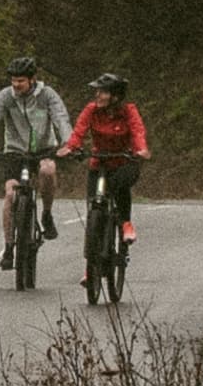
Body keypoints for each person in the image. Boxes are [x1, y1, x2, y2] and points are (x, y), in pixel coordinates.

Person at [0, 54, 71, 269]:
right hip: (15, 152)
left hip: (43, 149)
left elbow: (61, 118)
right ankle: (9, 247)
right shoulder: (5, 97)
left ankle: (46, 214)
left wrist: (68, 143)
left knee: (48, 171)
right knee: (10, 194)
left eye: (20, 80)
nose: (16, 85)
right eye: (13, 80)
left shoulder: (47, 95)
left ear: (32, 79)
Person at [61, 73, 151, 285]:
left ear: (115, 96)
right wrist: (71, 147)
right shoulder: (91, 110)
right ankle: (90, 268)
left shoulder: (129, 111)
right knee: (94, 212)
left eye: (102, 92)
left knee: (119, 187)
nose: (97, 95)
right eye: (97, 91)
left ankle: (126, 224)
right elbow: (79, 131)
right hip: (99, 162)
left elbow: (138, 131)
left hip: (124, 161)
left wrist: (140, 150)